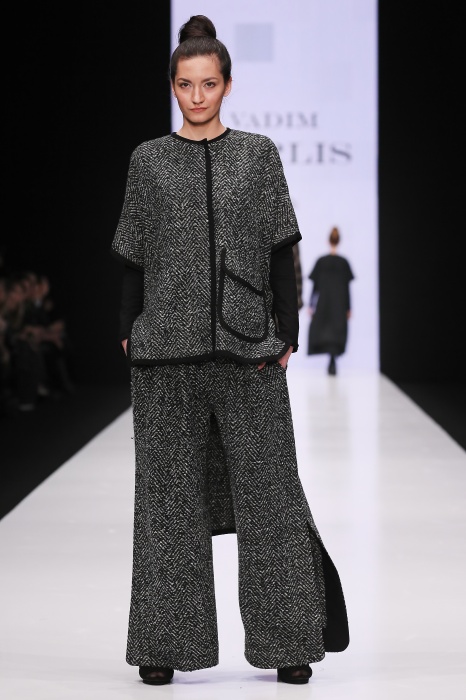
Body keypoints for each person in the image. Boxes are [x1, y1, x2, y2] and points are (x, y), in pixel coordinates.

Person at [112, 15, 349, 686]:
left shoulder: (258, 155)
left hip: (250, 350)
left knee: (272, 497)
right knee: (166, 503)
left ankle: (289, 643)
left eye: (208, 84)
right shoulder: (149, 160)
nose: (197, 96)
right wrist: (128, 328)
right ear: (172, 86)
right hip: (165, 353)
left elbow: (281, 246)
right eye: (186, 84)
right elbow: (133, 255)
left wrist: (289, 332)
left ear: (228, 85)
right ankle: (163, 645)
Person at [307, 227, 355, 375]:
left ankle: (332, 360)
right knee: (336, 331)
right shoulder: (343, 263)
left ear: (329, 240)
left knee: (325, 330)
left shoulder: (321, 262)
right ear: (339, 241)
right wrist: (348, 307)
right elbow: (347, 288)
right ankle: (333, 359)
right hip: (339, 304)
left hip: (324, 304)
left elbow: (315, 287)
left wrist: (311, 305)